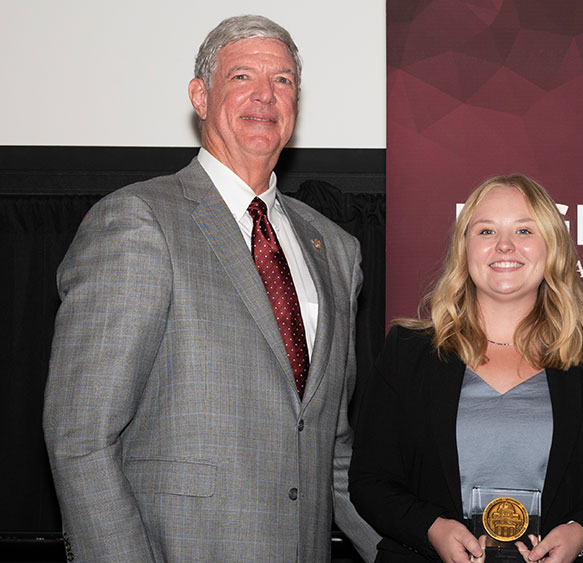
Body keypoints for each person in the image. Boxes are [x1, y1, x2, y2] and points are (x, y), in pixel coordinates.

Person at [42, 15, 378, 561]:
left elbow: (329, 450)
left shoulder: (336, 249)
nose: (266, 96)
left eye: (284, 80)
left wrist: (407, 547)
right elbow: (80, 438)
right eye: (243, 76)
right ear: (200, 96)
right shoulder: (139, 221)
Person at [349, 174, 583, 563]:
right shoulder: (407, 353)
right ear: (464, 249)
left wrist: (582, 533)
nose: (505, 245)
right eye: (486, 230)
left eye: (524, 229)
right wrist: (431, 528)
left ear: (551, 247)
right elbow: (370, 481)